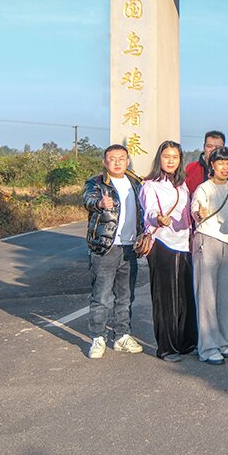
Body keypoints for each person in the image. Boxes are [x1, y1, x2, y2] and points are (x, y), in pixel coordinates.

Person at [82, 144, 145, 359]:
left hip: (129, 247)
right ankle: (98, 338)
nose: (117, 162)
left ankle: (122, 336)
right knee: (101, 296)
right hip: (105, 247)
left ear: (127, 161)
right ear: (104, 162)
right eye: (112, 158)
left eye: (121, 158)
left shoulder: (136, 182)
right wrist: (99, 203)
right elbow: (88, 199)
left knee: (125, 296)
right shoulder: (96, 183)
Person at [139, 140, 198, 362]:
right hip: (163, 243)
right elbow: (149, 211)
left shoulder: (182, 184)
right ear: (159, 159)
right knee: (166, 298)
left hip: (184, 244)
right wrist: (158, 218)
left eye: (175, 157)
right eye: (167, 156)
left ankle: (186, 342)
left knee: (184, 295)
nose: (171, 160)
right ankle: (166, 347)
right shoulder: (150, 185)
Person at [190, 146, 228, 365]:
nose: (225, 167)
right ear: (212, 165)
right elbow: (196, 207)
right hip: (207, 241)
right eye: (221, 163)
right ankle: (208, 347)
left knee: (227, 296)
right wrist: (198, 212)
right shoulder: (204, 188)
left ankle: (224, 341)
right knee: (207, 296)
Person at [185, 130, 226, 195]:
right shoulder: (191, 169)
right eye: (209, 146)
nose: (213, 150)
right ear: (204, 147)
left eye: (217, 147)